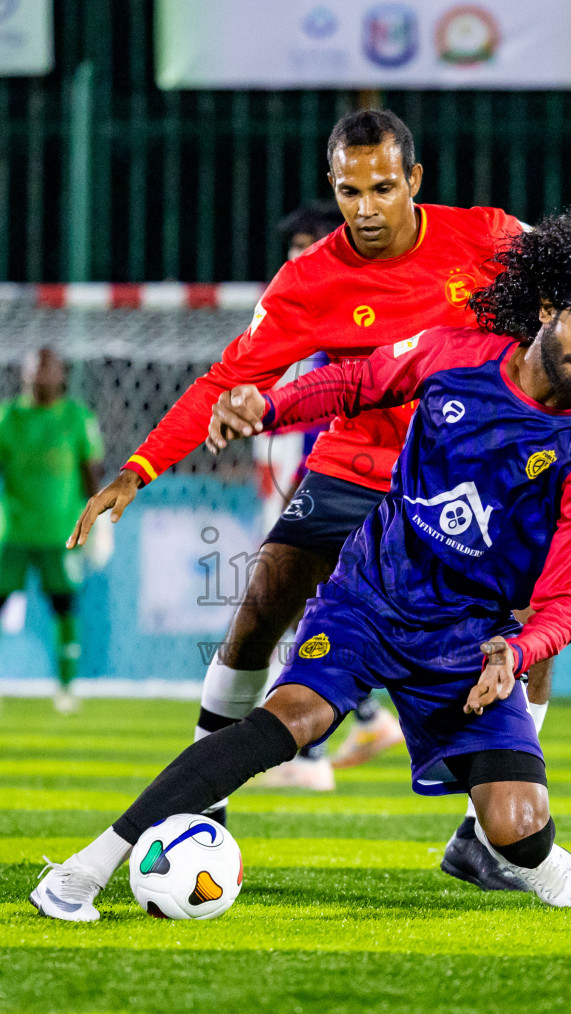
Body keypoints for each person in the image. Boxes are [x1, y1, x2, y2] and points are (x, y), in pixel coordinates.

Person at [68, 109, 571, 890]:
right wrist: (139, 468)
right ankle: (209, 795)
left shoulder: (488, 235)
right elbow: (227, 381)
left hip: (485, 469)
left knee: (527, 624)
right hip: (361, 460)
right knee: (264, 597)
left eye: (381, 187)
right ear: (332, 188)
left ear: (413, 179)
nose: (366, 207)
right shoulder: (309, 279)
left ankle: (483, 832)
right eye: (348, 190)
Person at [253, 201, 405, 792]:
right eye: (292, 250)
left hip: (355, 481)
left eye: (308, 245)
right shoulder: (310, 307)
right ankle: (364, 721)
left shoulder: (365, 310)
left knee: (306, 608)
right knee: (313, 608)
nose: (298, 258)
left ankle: (312, 752)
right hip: (326, 474)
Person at [0, 348, 103, 714]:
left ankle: (67, 686)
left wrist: (99, 521)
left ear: (61, 374)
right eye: (33, 369)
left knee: (65, 606)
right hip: (12, 529)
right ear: (23, 374)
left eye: (46, 369)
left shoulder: (77, 417)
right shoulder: (5, 417)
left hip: (61, 532)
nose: (39, 376)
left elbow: (91, 473)